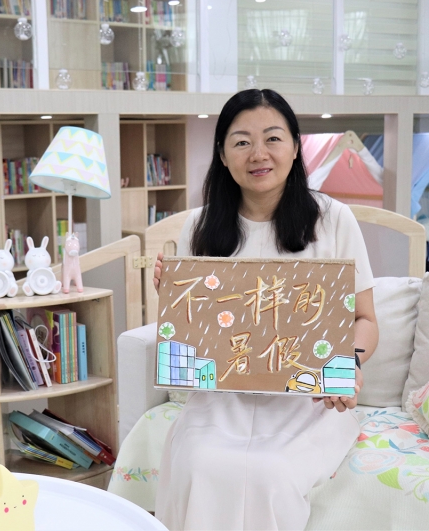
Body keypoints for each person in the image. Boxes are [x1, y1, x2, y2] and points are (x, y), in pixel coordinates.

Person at [152, 89, 379, 531]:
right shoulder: (198, 225)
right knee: (199, 462)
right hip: (222, 399)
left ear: (295, 147)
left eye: (273, 138)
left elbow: (365, 320)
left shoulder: (333, 219)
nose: (258, 154)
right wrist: (173, 298)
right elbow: (191, 335)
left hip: (306, 401)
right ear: (222, 155)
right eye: (241, 142)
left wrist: (346, 363)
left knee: (270, 473)